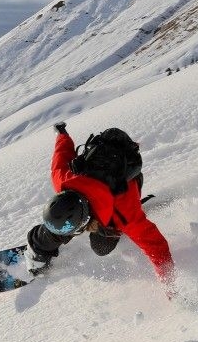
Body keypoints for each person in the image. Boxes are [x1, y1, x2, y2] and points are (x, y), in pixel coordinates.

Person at [26, 121, 176, 297]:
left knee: (101, 248)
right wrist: (62, 134)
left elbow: (156, 246)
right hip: (96, 184)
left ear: (87, 220)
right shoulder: (62, 179)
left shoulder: (124, 214)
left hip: (125, 183)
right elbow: (62, 154)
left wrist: (170, 284)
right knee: (59, 227)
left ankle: (51, 239)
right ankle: (37, 251)